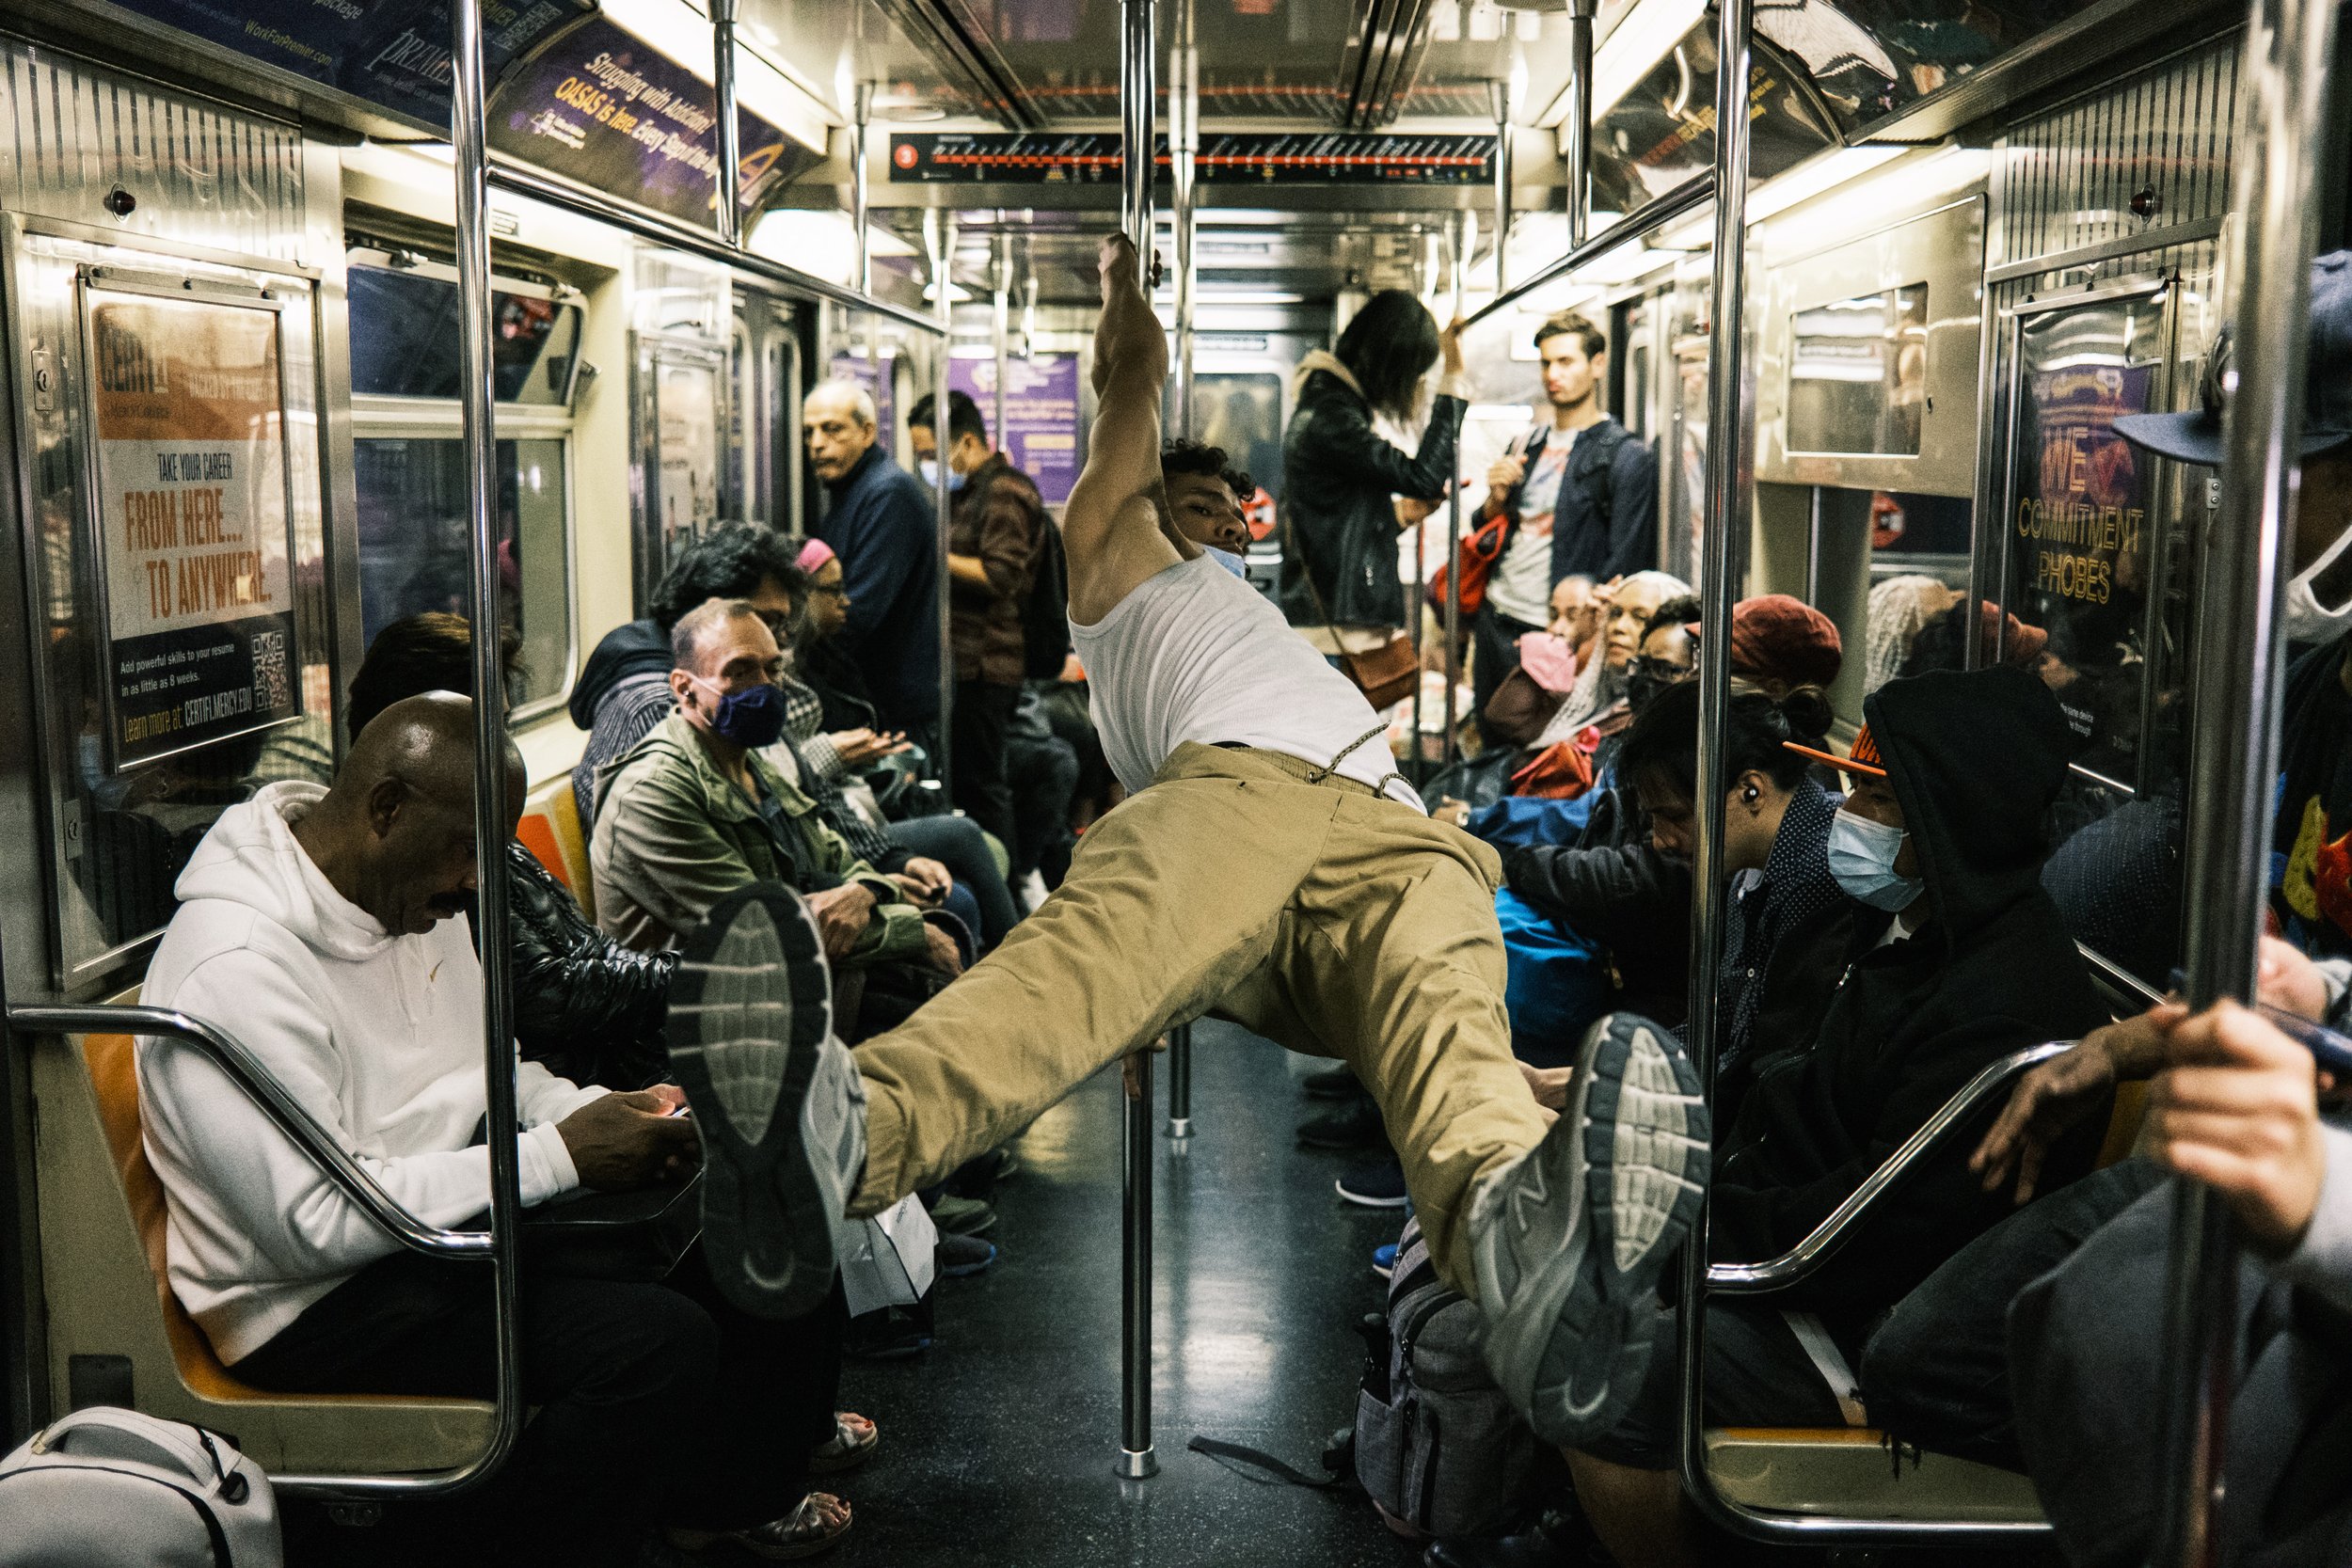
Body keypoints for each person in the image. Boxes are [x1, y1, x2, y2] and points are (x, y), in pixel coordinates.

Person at [135, 694, 852, 1566]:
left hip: (428, 1230)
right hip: (309, 1305)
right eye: (467, 849)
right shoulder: (238, 966)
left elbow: (495, 1073)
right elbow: (312, 1226)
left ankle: (717, 1500)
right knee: (654, 1347)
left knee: (734, 1230)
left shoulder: (403, 897)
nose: (479, 879)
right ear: (386, 809)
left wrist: (594, 1116)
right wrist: (560, 1156)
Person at [1560, 667, 2109, 1568]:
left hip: (1847, 1320)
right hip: (1789, 1257)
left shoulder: (2003, 1006)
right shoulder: (1891, 930)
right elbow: (1778, 1089)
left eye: (1875, 798)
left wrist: (1692, 1229)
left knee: (1599, 1364)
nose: (1847, 817)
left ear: (1946, 816)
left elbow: (1878, 1225)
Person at [591, 595, 961, 982]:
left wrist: (868, 891)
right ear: (685, 688)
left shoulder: (751, 763)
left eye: (773, 668)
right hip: (698, 1011)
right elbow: (763, 924)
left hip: (783, 981)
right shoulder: (651, 793)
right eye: (742, 671)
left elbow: (831, 854)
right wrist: (912, 931)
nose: (765, 688)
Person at [1616, 678, 1883, 1119]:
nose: (1661, 841)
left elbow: (1761, 1066)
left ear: (1750, 790)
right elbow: (1723, 1027)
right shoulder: (1752, 871)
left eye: (1675, 816)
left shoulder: (1819, 876)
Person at [1470, 311, 1661, 743]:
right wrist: (1494, 501)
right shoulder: (1527, 444)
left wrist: (1585, 634)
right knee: (1490, 733)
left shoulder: (1624, 456)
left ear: (1596, 365)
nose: (1553, 374)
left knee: (1540, 749)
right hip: (1499, 617)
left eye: (1566, 362)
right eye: (1546, 363)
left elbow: (1625, 561)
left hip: (1556, 630)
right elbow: (1488, 532)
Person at [1279, 289, 1469, 654]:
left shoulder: (1326, 405)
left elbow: (1331, 516)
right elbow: (1423, 477)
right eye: (1412, 373)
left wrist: (1399, 514)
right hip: (1339, 628)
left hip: (1336, 618)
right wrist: (1453, 377)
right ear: (1391, 365)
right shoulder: (1332, 417)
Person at [910, 388, 1048, 863]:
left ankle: (1004, 894)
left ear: (966, 442)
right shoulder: (969, 493)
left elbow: (1001, 574)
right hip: (965, 661)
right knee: (972, 780)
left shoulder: (1005, 492)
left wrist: (933, 556)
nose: (927, 464)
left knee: (984, 785)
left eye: (931, 454)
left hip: (988, 662)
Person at [805, 380, 943, 738]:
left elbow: (857, 611)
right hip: (876, 693)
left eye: (832, 429)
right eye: (810, 432)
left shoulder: (887, 495)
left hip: (895, 702)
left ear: (867, 433)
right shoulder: (851, 490)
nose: (817, 444)